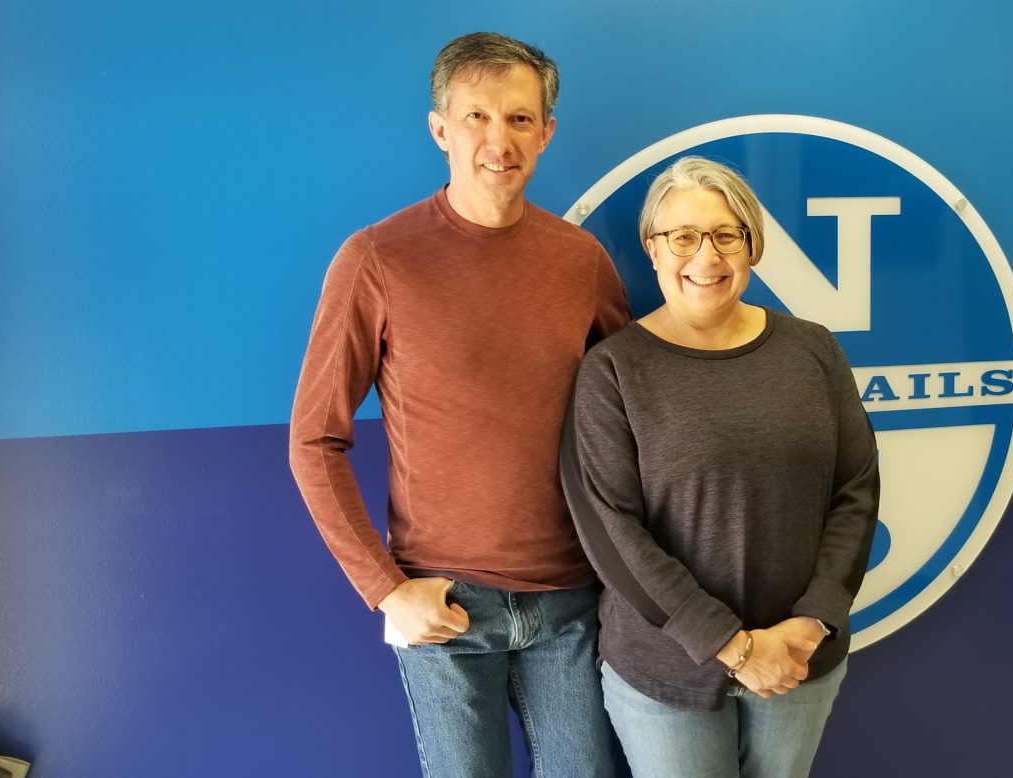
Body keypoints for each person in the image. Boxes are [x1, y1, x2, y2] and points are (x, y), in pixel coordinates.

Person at [289, 32, 628, 778]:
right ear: (440, 129)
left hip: (572, 600)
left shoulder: (582, 262)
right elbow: (314, 440)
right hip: (444, 603)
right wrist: (387, 591)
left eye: (519, 118)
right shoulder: (376, 259)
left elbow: (636, 417)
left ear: (546, 132)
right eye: (476, 116)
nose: (498, 140)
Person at [560, 156, 880, 777]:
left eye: (726, 235)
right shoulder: (613, 371)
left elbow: (856, 490)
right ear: (653, 248)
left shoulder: (813, 349)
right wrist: (731, 646)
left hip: (797, 661)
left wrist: (812, 622)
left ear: (752, 245)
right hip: (669, 671)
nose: (706, 256)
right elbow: (611, 528)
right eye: (682, 236)